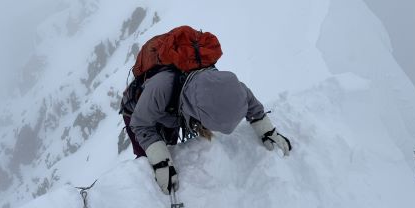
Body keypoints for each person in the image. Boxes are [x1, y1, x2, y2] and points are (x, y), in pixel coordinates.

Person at [125, 66, 292, 195]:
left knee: (170, 144)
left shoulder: (226, 87)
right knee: (148, 157)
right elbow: (140, 124)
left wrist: (266, 129)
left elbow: (248, 100)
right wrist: (160, 161)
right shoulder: (160, 88)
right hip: (138, 112)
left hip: (174, 110)